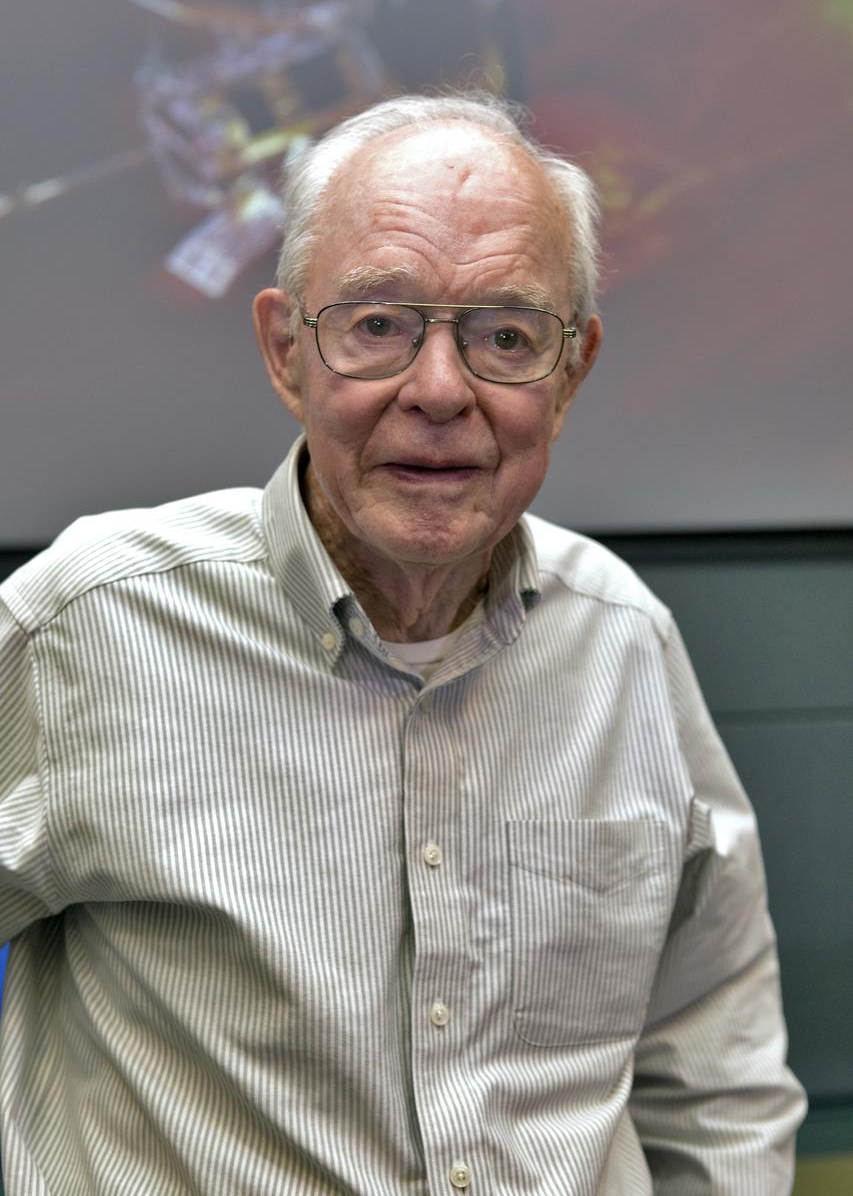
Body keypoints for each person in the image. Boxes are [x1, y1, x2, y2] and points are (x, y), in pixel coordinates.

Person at [0, 92, 805, 1194]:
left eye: (506, 336)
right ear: (287, 349)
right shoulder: (88, 623)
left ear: (570, 373)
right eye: (378, 324)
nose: (438, 391)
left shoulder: (621, 642)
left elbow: (716, 1060)